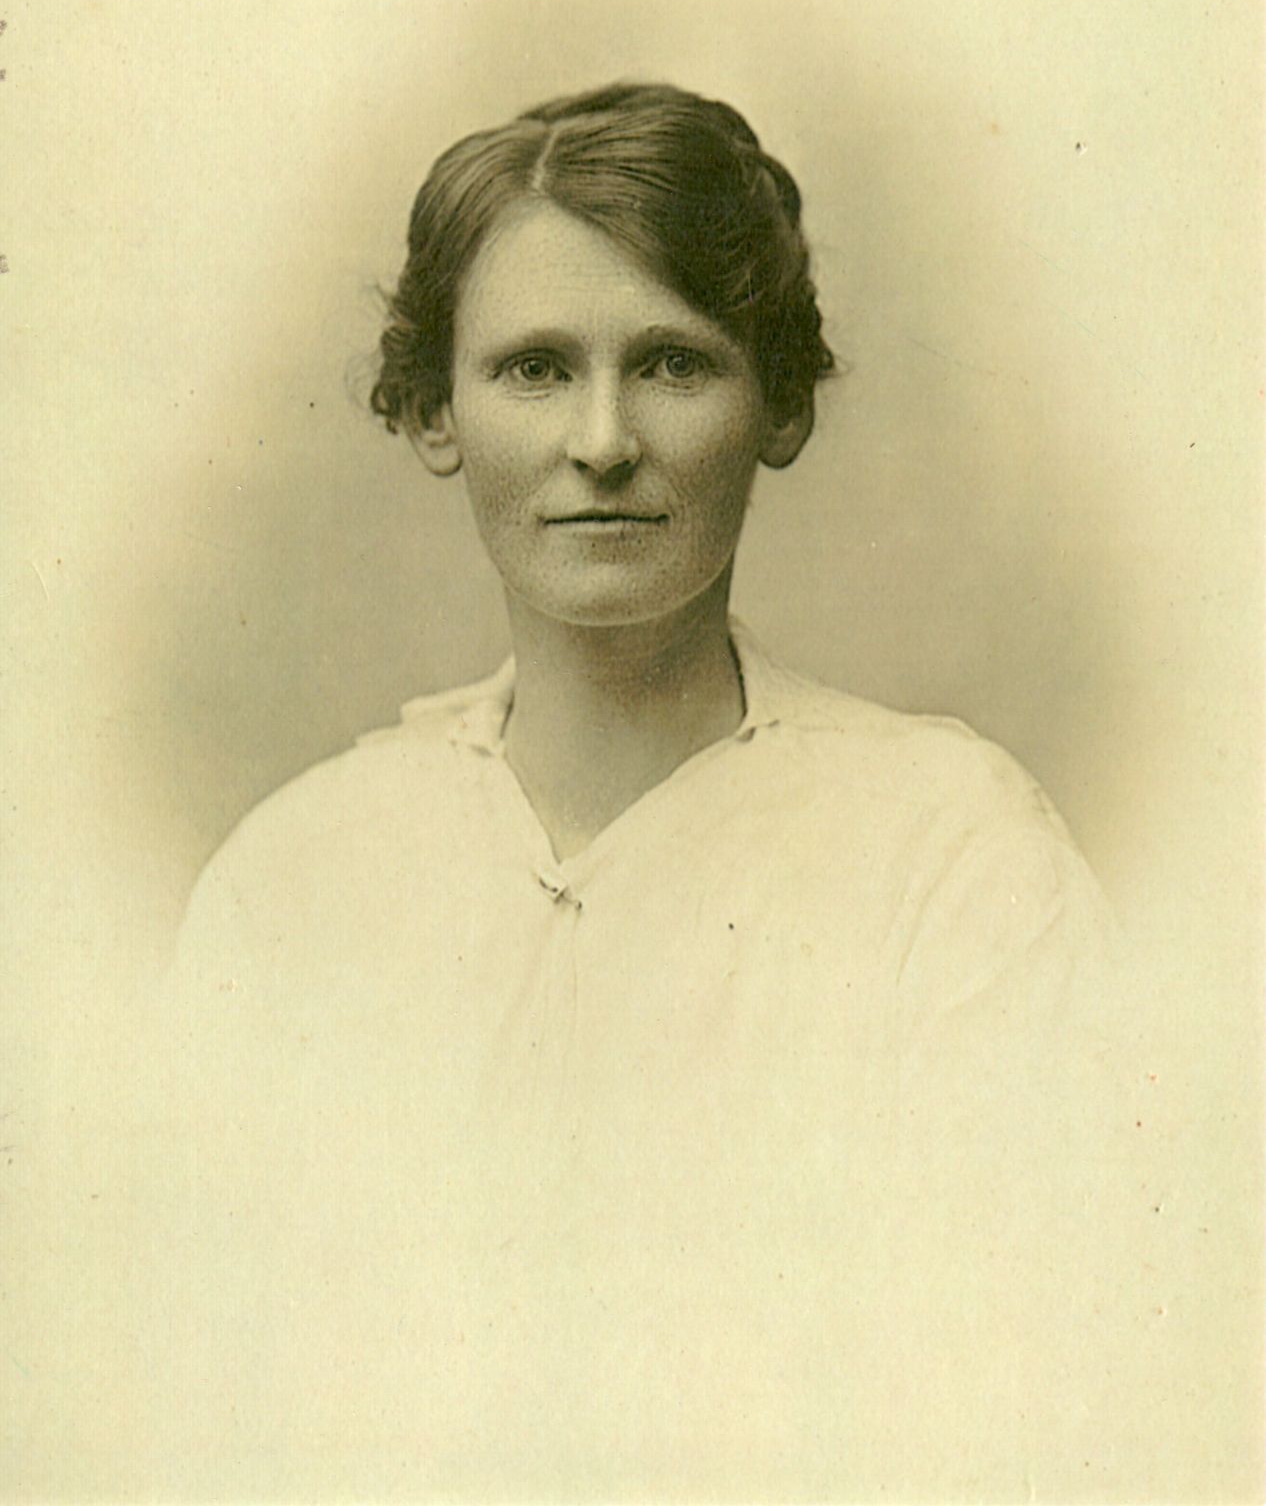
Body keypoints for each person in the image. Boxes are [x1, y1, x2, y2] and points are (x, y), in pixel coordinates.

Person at [160, 83, 1133, 1499]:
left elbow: (1042, 1401)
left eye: (673, 364)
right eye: (535, 369)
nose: (603, 438)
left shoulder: (952, 856)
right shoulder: (292, 882)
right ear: (436, 411)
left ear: (779, 403)